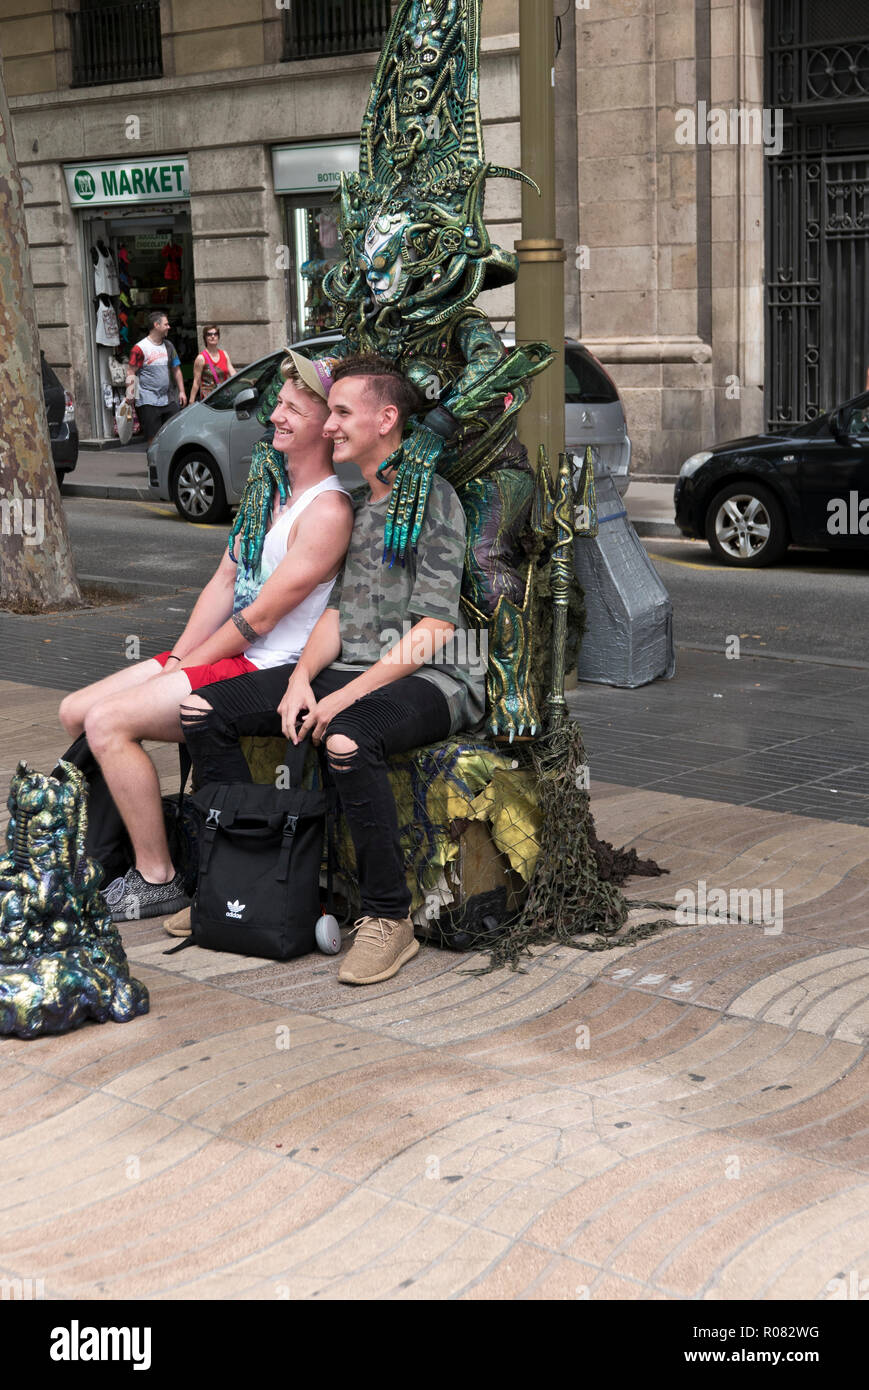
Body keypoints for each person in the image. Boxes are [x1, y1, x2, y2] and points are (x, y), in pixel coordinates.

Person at [180, 353, 485, 986]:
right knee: (203, 711)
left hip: (436, 678)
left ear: (387, 418)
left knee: (346, 739)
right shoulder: (354, 504)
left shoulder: (433, 500)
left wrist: (344, 700)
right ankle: (238, 875)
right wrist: (298, 681)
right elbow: (337, 615)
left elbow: (435, 630)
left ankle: (387, 918)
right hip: (344, 669)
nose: (331, 426)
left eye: (343, 413)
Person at [59, 352, 354, 923]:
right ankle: (102, 855)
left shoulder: (328, 510)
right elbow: (224, 582)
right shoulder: (270, 490)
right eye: (280, 405)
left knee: (107, 723)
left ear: (324, 424)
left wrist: (185, 668)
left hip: (262, 667)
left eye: (293, 409)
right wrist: (179, 656)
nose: (276, 417)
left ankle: (157, 876)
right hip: (220, 651)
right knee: (76, 711)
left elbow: (260, 621)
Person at [126, 312, 187, 446]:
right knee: (153, 439)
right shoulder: (140, 348)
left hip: (168, 399)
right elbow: (131, 371)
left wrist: (182, 391)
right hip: (147, 400)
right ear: (156, 325)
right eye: (166, 324)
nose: (168, 327)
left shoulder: (169, 346)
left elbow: (176, 369)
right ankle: (154, 465)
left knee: (174, 434)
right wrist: (130, 394)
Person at [189, 325, 236, 403]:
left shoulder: (224, 354)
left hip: (225, 397)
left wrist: (246, 381)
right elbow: (196, 382)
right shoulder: (201, 358)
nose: (213, 336)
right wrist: (191, 401)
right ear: (205, 338)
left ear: (218, 336)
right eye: (209, 334)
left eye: (215, 334)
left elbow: (233, 374)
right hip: (209, 400)